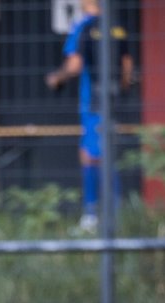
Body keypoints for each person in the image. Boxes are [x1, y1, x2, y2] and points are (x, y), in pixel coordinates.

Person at [45, 0, 135, 232]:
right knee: (103, 150)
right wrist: (119, 91)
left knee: (93, 154)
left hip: (92, 100)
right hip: (112, 99)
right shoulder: (116, 25)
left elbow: (75, 65)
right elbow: (127, 66)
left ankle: (95, 216)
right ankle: (112, 215)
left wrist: (56, 77)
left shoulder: (83, 25)